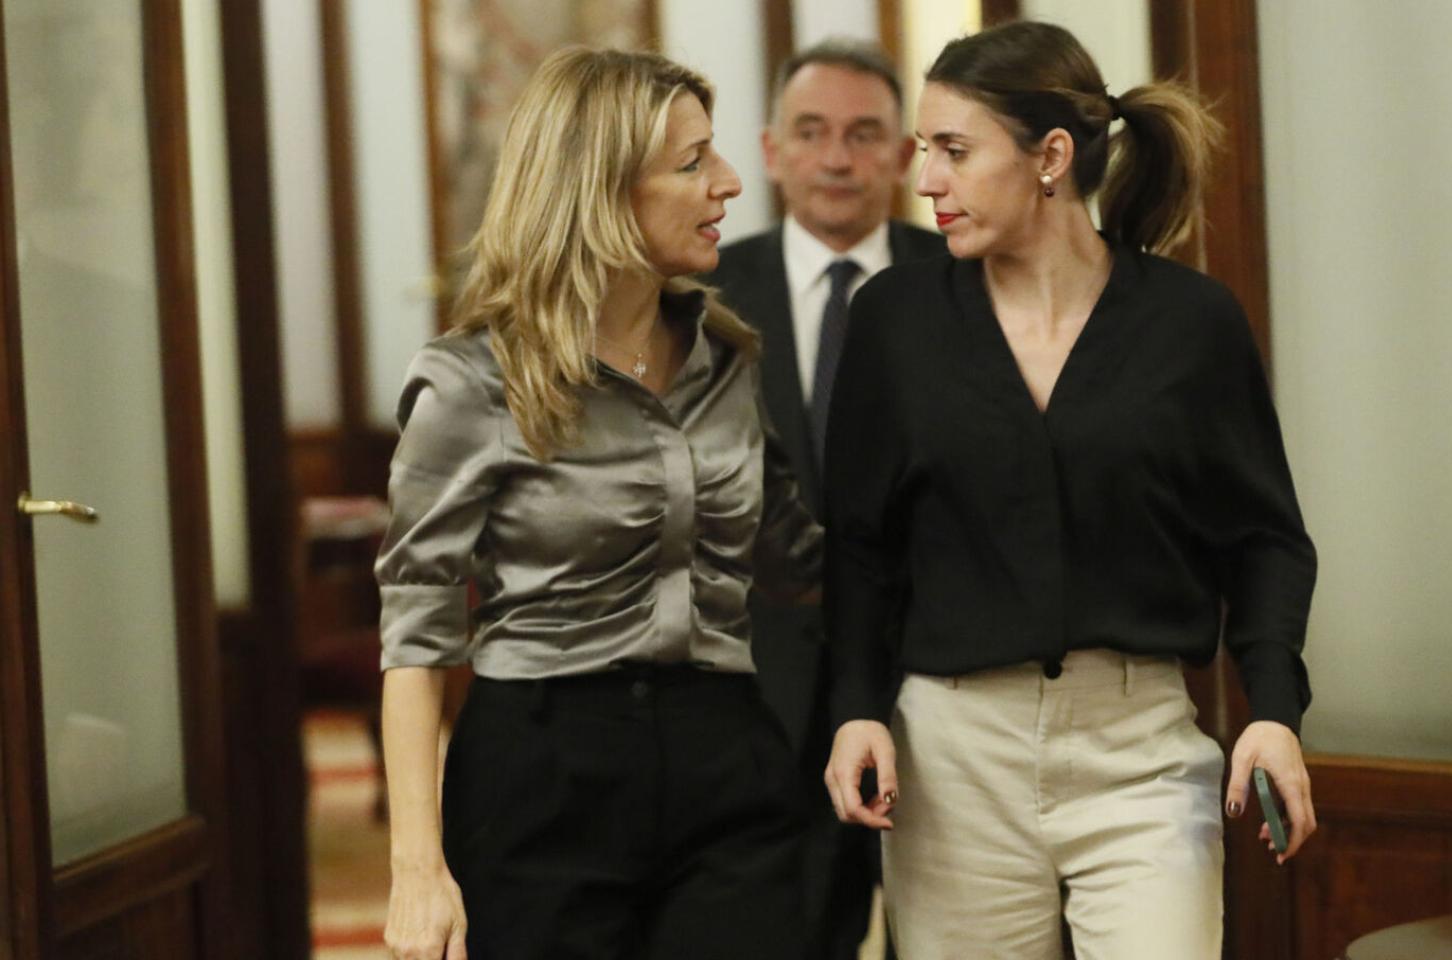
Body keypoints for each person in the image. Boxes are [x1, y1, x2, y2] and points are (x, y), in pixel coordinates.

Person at [821, 20, 1319, 959]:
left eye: (954, 151)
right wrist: (854, 708)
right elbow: (858, 545)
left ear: (1050, 157)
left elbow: (1264, 540)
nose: (925, 181)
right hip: (952, 759)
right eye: (925, 150)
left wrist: (1273, 712)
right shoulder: (892, 320)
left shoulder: (1192, 323)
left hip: (1140, 754)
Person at [375, 47, 821, 960]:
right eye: (692, 162)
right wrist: (417, 867)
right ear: (601, 191)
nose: (730, 182)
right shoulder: (471, 383)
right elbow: (416, 635)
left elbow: (799, 561)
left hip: (726, 758)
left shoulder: (727, 359)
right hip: (543, 774)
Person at [704, 38, 945, 960]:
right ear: (771, 152)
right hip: (762, 694)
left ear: (905, 154)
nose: (837, 158)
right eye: (811, 132)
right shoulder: (701, 296)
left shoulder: (964, 281)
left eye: (863, 134)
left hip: (937, 681)